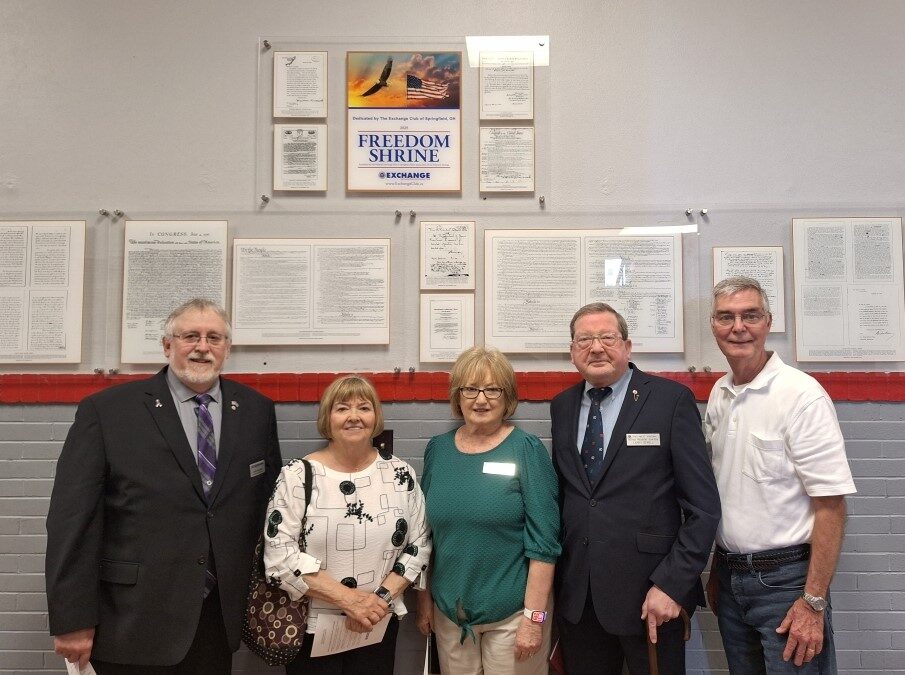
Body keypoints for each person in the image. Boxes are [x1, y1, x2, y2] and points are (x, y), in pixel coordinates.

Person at [45, 298, 283, 673]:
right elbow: (72, 521)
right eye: (190, 336)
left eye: (214, 338)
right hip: (132, 619)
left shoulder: (255, 410)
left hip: (217, 616)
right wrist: (72, 618)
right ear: (167, 345)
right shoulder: (108, 411)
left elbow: (268, 509)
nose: (203, 347)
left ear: (227, 349)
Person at [551, 302, 720, 674]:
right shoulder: (562, 407)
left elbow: (703, 508)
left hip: (652, 596)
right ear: (572, 352)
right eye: (585, 340)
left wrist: (673, 585)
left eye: (607, 338)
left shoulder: (669, 401)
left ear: (627, 346)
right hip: (580, 599)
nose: (596, 348)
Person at [704, 276, 856, 672]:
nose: (738, 327)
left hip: (787, 585)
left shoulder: (801, 396)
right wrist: (720, 570)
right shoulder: (719, 395)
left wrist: (813, 601)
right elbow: (725, 495)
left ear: (768, 322)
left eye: (750, 315)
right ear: (713, 326)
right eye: (726, 317)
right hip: (731, 579)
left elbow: (832, 507)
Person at [264, 375, 431, 675]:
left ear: (375, 417)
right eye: (342, 408)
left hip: (378, 623)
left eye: (364, 408)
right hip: (311, 630)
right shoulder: (297, 475)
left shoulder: (400, 474)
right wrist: (351, 601)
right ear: (328, 418)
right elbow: (279, 557)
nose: (354, 416)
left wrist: (376, 602)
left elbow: (419, 545)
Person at [417, 346, 561, 675]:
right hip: (450, 614)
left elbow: (545, 545)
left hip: (512, 617)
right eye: (470, 389)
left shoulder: (526, 449)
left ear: (507, 395)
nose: (481, 399)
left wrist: (533, 620)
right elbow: (425, 536)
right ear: (457, 395)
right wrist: (424, 599)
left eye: (492, 389)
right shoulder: (438, 450)